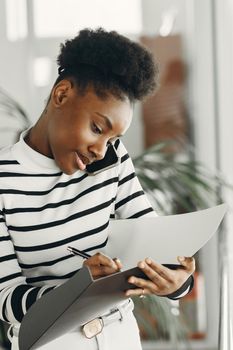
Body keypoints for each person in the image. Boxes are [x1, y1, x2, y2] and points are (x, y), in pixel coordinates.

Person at [0, 28, 195, 350]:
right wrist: (78, 287)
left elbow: (152, 237)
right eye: (97, 128)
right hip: (51, 342)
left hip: (121, 335)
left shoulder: (111, 162)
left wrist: (176, 282)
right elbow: (7, 301)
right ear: (61, 95)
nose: (101, 151)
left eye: (113, 139)